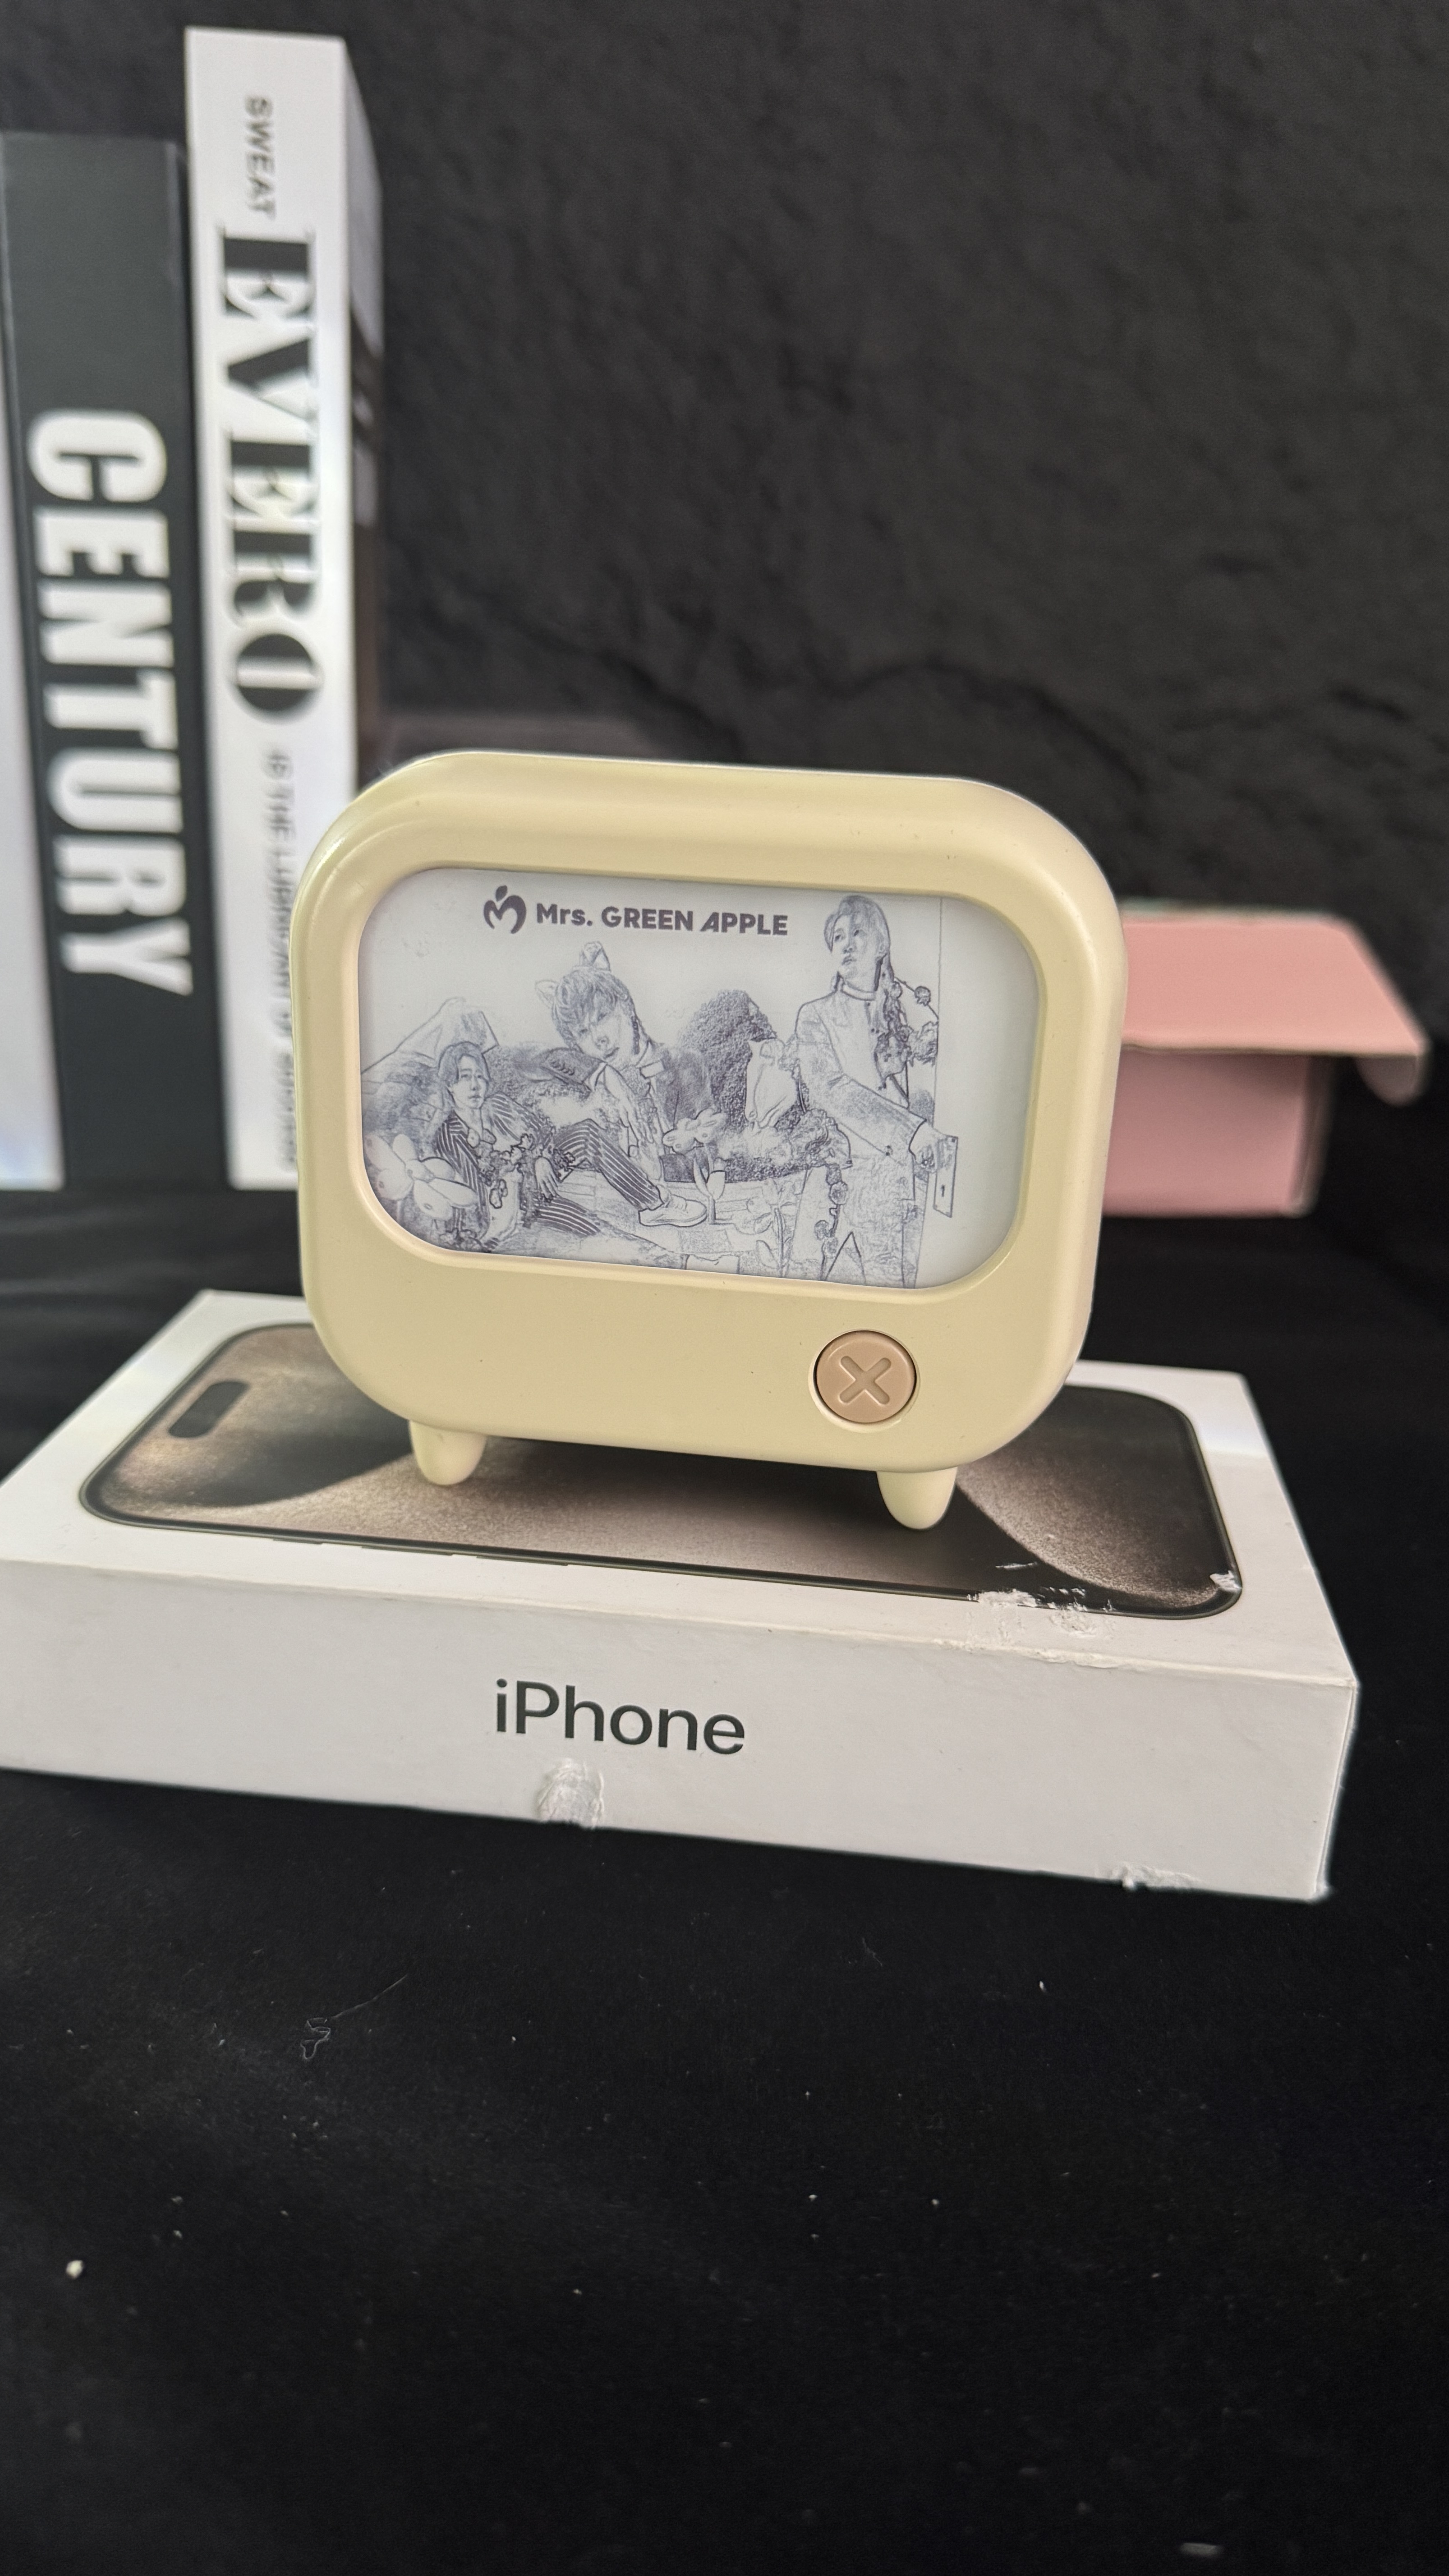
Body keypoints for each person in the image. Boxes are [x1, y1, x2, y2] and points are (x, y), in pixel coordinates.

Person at [792, 896, 950, 1287]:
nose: (846, 944)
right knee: (796, 1287)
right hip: (830, 1179)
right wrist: (913, 1132)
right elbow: (830, 1088)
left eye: (858, 933)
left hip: (887, 1185)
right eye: (838, 937)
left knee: (887, 1293)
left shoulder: (910, 1017)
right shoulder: (814, 1016)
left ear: (882, 945)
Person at [538, 946, 720, 1222]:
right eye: (583, 1032)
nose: (599, 1039)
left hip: (693, 1213)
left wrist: (659, 1169)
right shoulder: (586, 1090)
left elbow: (713, 1155)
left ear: (627, 1007)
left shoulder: (684, 1064)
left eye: (602, 1017)